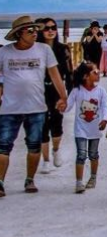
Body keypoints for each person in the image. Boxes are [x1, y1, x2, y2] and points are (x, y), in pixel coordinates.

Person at [0, 16, 68, 196]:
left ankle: (30, 179)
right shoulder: (5, 52)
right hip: (9, 108)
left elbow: (55, 75)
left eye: (35, 30)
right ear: (18, 34)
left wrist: (63, 97)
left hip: (37, 107)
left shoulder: (44, 50)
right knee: (3, 146)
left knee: (34, 145)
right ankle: (0, 182)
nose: (34, 33)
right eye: (30, 31)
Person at [66, 62, 107, 193]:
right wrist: (61, 106)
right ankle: (79, 182)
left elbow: (104, 107)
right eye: (94, 72)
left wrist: (104, 119)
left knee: (93, 154)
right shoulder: (77, 91)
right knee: (81, 154)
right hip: (80, 129)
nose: (98, 74)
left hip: (95, 129)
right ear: (85, 76)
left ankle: (93, 177)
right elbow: (68, 106)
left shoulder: (101, 91)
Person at [36, 18, 73, 171]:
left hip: (57, 90)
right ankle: (45, 160)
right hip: (39, 90)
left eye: (53, 28)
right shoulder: (36, 49)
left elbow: (69, 73)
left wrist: (69, 95)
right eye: (46, 28)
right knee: (42, 125)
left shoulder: (63, 49)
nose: (50, 31)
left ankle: (56, 150)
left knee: (57, 122)